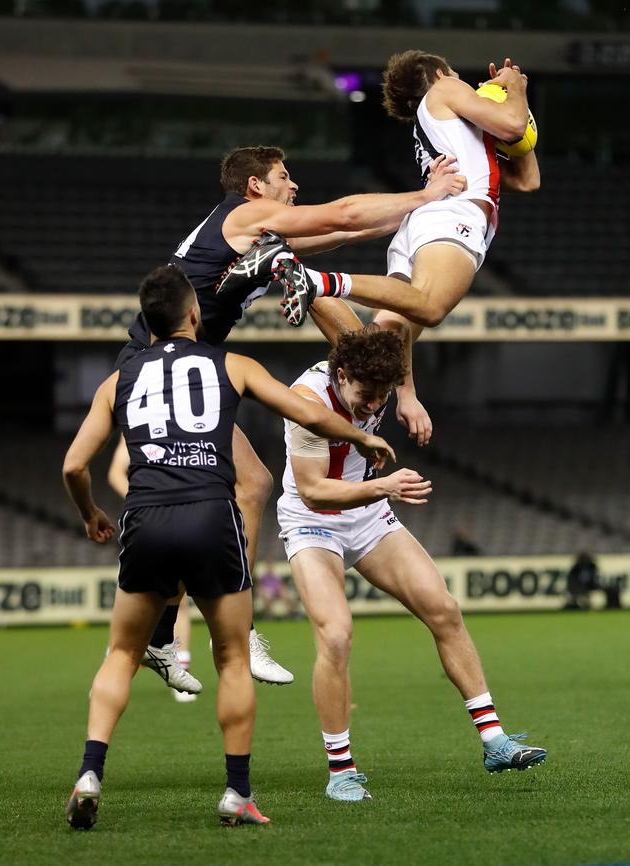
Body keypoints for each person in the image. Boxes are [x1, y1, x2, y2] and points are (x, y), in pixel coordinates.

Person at [62, 264, 395, 829]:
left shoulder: (115, 383)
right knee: (234, 657)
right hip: (211, 517)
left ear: (146, 323)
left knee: (122, 653)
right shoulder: (230, 363)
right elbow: (305, 411)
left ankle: (91, 771)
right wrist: (360, 434)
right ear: (195, 314)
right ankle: (236, 793)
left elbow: (73, 465)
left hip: (144, 518)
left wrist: (92, 513)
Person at [120, 145, 464, 680]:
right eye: (284, 177)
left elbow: (344, 234)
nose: (295, 185)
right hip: (165, 367)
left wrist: (417, 213)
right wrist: (426, 193)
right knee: (231, 493)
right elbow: (343, 214)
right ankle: (232, 632)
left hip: (181, 366)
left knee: (248, 487)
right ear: (256, 186)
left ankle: (167, 636)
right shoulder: (246, 215)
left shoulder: (257, 238)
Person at [276, 326, 547, 802]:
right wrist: (384, 486)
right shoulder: (308, 402)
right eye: (365, 395)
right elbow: (315, 489)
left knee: (443, 609)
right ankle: (341, 771)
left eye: (382, 396)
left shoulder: (374, 381)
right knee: (336, 635)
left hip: (366, 514)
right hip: (313, 520)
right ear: (341, 376)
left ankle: (494, 742)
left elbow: (397, 328)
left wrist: (408, 397)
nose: (372, 406)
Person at [272, 54, 540, 340]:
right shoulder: (446, 88)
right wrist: (515, 87)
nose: (462, 81)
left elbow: (526, 181)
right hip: (452, 217)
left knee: (387, 347)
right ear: (440, 74)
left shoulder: (451, 130)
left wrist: (507, 107)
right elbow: (512, 125)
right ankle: (316, 281)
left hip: (427, 222)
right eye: (454, 72)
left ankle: (351, 368)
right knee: (432, 306)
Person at [108, 434, 201, 702]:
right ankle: (114, 670)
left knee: (179, 601)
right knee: (132, 601)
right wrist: (144, 500)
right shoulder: (138, 426)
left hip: (181, 520)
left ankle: (178, 669)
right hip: (149, 521)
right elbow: (116, 472)